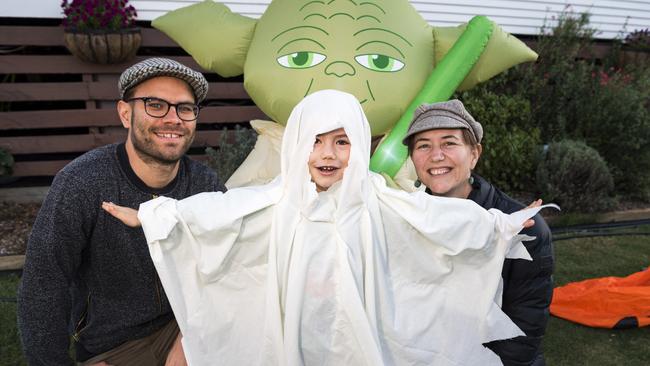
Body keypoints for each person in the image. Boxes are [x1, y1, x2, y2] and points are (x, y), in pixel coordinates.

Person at [102, 89, 550, 366]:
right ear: (297, 145)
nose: (327, 154)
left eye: (341, 141)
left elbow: (434, 219)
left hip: (360, 332)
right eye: (315, 141)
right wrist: (154, 215)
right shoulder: (278, 200)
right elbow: (221, 212)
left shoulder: (378, 199)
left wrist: (498, 224)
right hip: (295, 332)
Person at [17, 57, 225, 366]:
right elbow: (44, 283)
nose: (173, 119)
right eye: (155, 105)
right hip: (114, 345)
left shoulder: (204, 183)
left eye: (185, 108)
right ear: (125, 114)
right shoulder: (83, 183)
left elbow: (230, 269)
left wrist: (185, 341)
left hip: (187, 326)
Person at [403, 99, 554, 366]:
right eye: (423, 145)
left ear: (474, 153)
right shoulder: (405, 218)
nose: (436, 155)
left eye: (449, 143)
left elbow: (521, 333)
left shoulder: (520, 229)